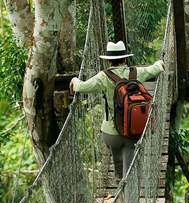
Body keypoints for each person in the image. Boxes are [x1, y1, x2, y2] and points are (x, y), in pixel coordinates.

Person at [69, 40, 164, 188]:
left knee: (118, 164)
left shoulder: (103, 76)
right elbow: (156, 69)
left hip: (111, 134)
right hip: (133, 132)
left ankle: (120, 184)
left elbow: (82, 87)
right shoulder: (135, 72)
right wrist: (159, 63)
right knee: (130, 169)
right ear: (125, 59)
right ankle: (129, 194)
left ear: (108, 61)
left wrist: (74, 81)